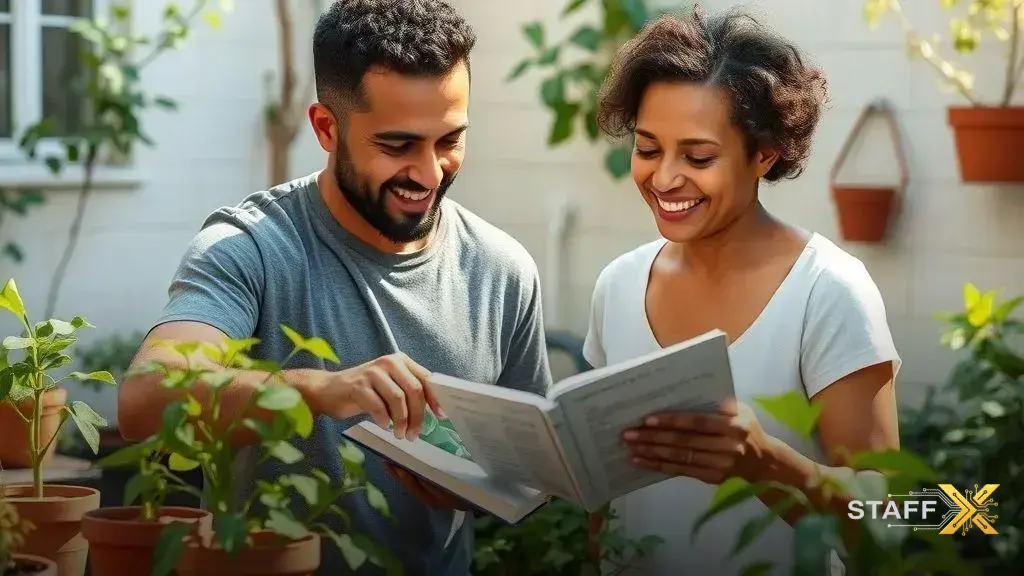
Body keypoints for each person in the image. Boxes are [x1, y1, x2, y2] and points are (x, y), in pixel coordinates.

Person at [117, 1, 552, 574]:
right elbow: (146, 400)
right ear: (326, 128)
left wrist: (475, 486)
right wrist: (322, 391)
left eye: (449, 140)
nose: (429, 174)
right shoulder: (250, 248)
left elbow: (533, 472)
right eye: (397, 146)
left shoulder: (502, 269)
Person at [582, 8, 901, 575]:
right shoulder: (619, 285)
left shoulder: (827, 291)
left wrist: (764, 464)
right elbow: (606, 504)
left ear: (765, 153)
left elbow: (894, 518)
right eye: (648, 148)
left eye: (699, 157)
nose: (664, 178)